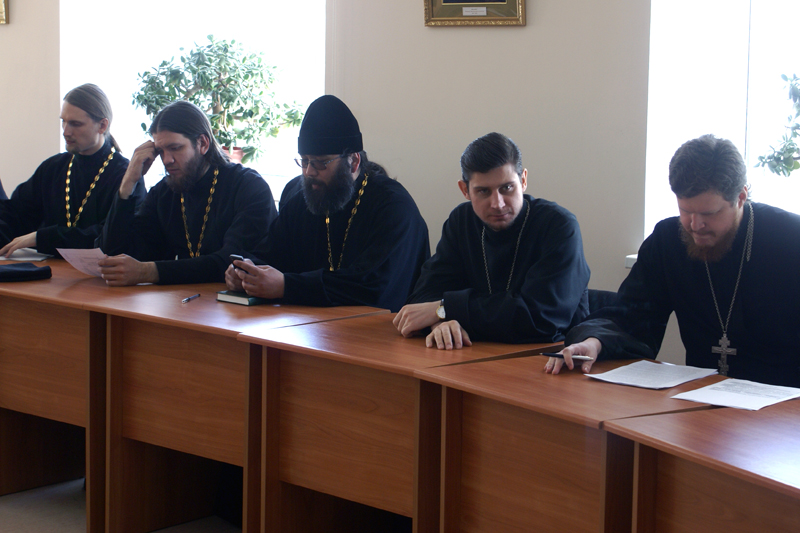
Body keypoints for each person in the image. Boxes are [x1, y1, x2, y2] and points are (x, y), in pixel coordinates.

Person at [549, 134, 800, 387]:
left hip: (785, 398)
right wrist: (594, 342)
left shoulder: (790, 239)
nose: (695, 225)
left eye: (709, 213)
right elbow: (633, 315)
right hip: (699, 394)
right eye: (685, 211)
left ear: (741, 197)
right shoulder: (668, 240)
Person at [226, 95, 430, 312]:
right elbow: (269, 254)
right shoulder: (303, 201)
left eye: (321, 163)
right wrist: (245, 272)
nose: (309, 172)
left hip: (382, 329)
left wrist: (287, 286)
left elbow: (374, 286)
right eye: (304, 161)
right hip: (312, 327)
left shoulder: (394, 207)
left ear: (353, 161)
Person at [394, 132, 590, 349]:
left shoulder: (559, 226)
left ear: (523, 180)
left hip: (551, 356)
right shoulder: (461, 221)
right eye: (483, 191)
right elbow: (424, 295)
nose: (497, 203)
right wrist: (441, 323)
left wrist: (445, 309)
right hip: (471, 353)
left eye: (507, 188)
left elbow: (540, 318)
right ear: (465, 190)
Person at [97, 100, 276, 285]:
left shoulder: (248, 186)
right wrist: (128, 183)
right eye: (160, 151)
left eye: (175, 148)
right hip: (182, 299)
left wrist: (148, 272)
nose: (167, 160)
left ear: (203, 143)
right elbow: (115, 256)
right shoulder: (164, 193)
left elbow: (232, 262)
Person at [0, 84, 141, 257]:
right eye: (63, 121)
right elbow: (15, 215)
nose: (66, 132)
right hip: (50, 270)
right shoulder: (53, 168)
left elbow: (112, 236)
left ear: (102, 125)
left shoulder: (126, 176)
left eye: (75, 124)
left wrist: (43, 237)